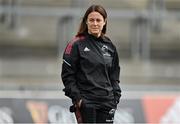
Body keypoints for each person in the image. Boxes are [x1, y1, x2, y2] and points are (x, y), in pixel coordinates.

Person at [61, 4, 121, 123]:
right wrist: (78, 99)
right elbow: (67, 75)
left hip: (107, 103)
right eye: (91, 20)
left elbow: (114, 76)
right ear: (86, 22)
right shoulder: (75, 44)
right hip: (87, 103)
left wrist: (115, 97)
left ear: (104, 22)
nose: (95, 23)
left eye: (98, 20)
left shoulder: (110, 46)